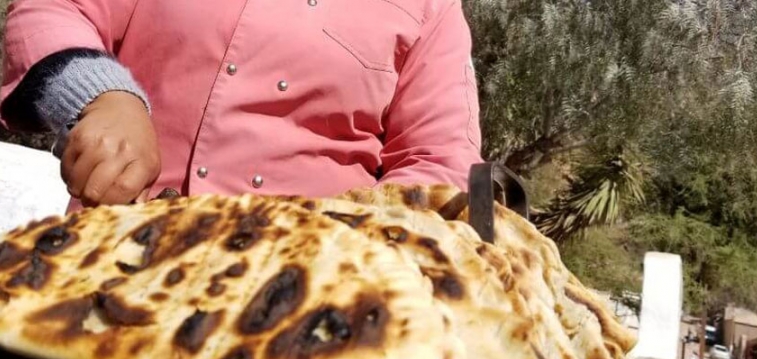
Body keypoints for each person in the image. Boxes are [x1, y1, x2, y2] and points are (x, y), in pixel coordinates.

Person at [0, 0, 483, 212]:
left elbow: (441, 161)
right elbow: (56, 9)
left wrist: (366, 250)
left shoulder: (432, 8)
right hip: (108, 272)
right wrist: (103, 95)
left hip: (306, 319)